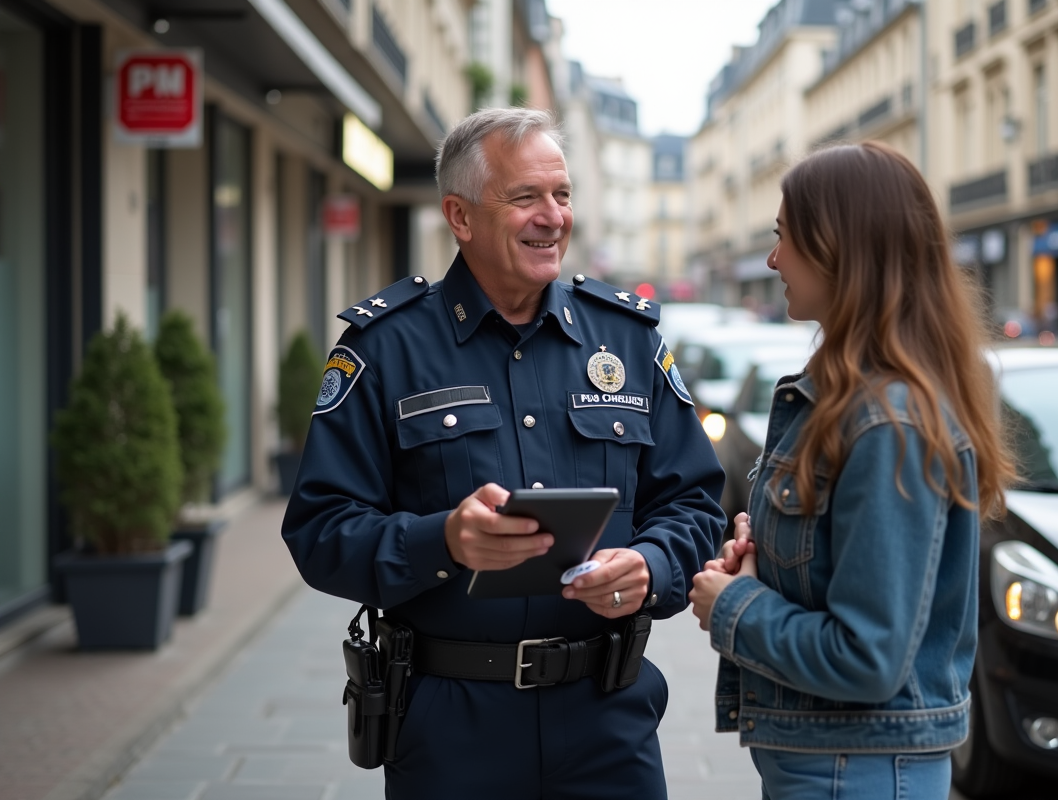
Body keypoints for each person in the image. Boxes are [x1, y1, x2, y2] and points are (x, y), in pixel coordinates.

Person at [281, 107, 725, 799]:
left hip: (608, 721)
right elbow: (320, 531)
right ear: (459, 216)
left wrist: (652, 566)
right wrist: (443, 541)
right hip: (451, 731)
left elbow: (695, 504)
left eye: (562, 194)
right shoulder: (385, 347)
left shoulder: (627, 340)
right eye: (525, 197)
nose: (553, 217)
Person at [688, 142, 1014, 800]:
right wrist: (764, 559)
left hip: (854, 770)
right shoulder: (849, 399)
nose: (774, 260)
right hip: (837, 763)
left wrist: (736, 606)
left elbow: (868, 656)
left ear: (839, 247)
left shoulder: (887, 422)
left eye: (785, 237)